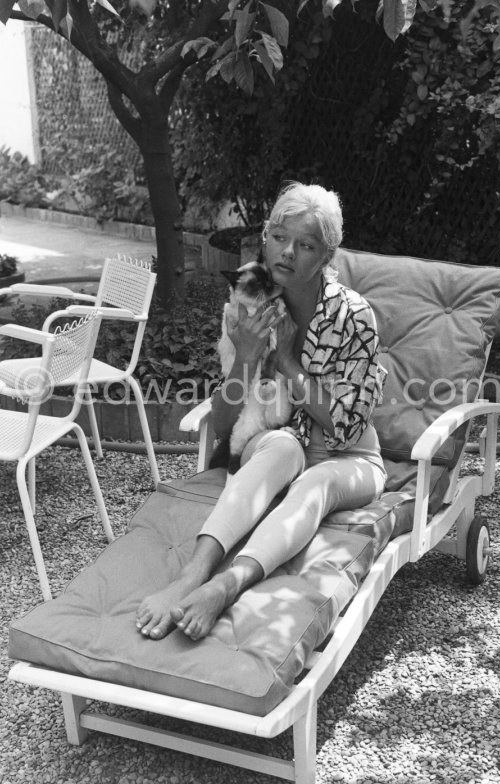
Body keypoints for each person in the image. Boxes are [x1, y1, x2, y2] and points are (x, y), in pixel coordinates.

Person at [135, 182, 387, 641]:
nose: (287, 253)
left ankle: (228, 585)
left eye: (306, 244)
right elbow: (226, 429)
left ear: (327, 256)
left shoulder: (354, 317)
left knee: (316, 477)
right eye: (278, 237)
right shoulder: (245, 305)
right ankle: (194, 574)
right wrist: (248, 356)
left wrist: (289, 362)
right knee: (282, 447)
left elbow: (348, 428)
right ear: (265, 238)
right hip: (277, 444)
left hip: (348, 460)